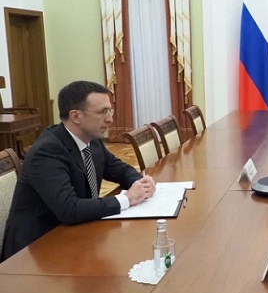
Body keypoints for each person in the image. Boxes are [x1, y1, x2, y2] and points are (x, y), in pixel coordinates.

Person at [1, 81, 156, 261]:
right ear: (76, 116)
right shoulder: (47, 151)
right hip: (35, 251)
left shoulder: (91, 140)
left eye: (110, 111)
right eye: (102, 112)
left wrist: (139, 182)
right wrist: (127, 198)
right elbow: (69, 209)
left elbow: (119, 169)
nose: (110, 119)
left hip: (74, 233)